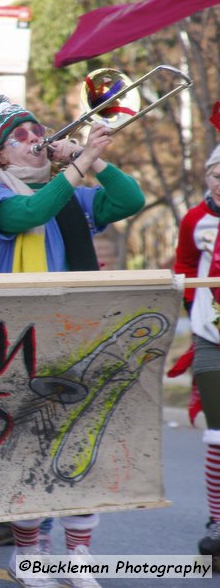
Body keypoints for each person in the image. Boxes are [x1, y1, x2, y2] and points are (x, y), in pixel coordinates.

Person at [0, 93, 144, 588]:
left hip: (81, 336)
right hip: (18, 342)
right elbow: (30, 213)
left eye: (38, 131)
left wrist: (94, 160)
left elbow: (129, 200)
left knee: (82, 449)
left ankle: (80, 556)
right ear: (1, 155)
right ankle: (29, 555)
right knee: (31, 455)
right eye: (21, 137)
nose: (37, 139)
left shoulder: (71, 194)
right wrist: (77, 166)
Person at [173, 143, 220, 567]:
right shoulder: (194, 218)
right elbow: (184, 265)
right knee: (218, 432)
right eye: (216, 174)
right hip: (211, 334)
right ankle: (218, 522)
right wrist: (197, 305)